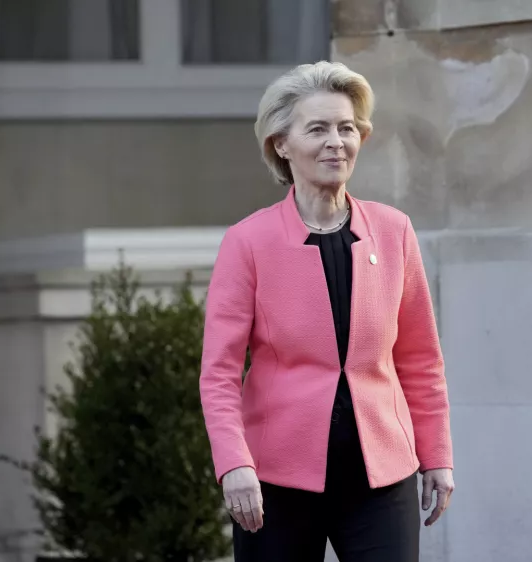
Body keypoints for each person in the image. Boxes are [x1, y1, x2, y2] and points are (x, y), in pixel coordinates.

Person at [198, 60, 455, 562]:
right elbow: (219, 375)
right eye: (318, 129)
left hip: (381, 476)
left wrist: (437, 454)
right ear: (281, 143)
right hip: (275, 481)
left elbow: (421, 360)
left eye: (347, 128)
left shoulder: (394, 230)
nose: (336, 141)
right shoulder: (247, 242)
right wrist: (234, 465)